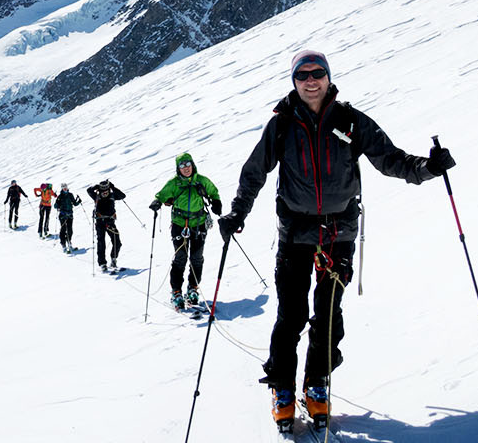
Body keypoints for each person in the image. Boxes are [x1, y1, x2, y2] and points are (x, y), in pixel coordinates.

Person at [218, 50, 454, 429]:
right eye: (303, 75)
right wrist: (237, 212)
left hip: (338, 233)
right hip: (295, 234)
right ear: (294, 81)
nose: (311, 80)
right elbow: (255, 172)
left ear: (328, 77)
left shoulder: (350, 121)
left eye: (318, 73)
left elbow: (389, 159)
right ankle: (282, 387)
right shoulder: (282, 124)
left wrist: (427, 168)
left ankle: (316, 384)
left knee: (328, 315)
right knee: (292, 315)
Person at [150, 152, 222, 311]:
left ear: (192, 165)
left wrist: (216, 202)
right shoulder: (174, 183)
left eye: (188, 164)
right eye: (182, 165)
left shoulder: (201, 180)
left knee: (197, 258)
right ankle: (176, 292)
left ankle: (193, 288)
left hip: (199, 224)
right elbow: (162, 195)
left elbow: (213, 192)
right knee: (180, 257)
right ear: (178, 168)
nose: (186, 168)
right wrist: (157, 201)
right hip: (179, 225)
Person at [86, 180, 128, 272]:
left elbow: (122, 196)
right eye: (103, 191)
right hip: (100, 222)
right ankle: (102, 264)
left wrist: (113, 187)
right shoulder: (96, 196)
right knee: (101, 243)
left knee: (117, 242)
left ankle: (113, 259)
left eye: (106, 191)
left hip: (110, 222)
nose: (105, 193)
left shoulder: (113, 195)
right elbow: (89, 190)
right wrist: (96, 186)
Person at [53, 183, 81, 253]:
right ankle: (63, 245)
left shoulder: (70, 195)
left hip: (70, 215)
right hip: (63, 215)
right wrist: (57, 204)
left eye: (66, 187)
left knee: (70, 230)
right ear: (62, 188)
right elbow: (55, 206)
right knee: (63, 229)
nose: (65, 189)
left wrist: (79, 201)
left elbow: (74, 203)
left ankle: (69, 242)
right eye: (63, 188)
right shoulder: (60, 196)